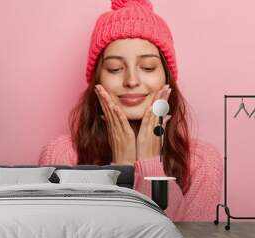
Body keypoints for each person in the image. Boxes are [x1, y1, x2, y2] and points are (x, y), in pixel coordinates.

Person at [38, 0, 223, 221]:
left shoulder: (201, 162)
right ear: (98, 80)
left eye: (148, 67)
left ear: (167, 78)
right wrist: (122, 167)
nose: (132, 80)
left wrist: (149, 161)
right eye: (115, 68)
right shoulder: (62, 155)